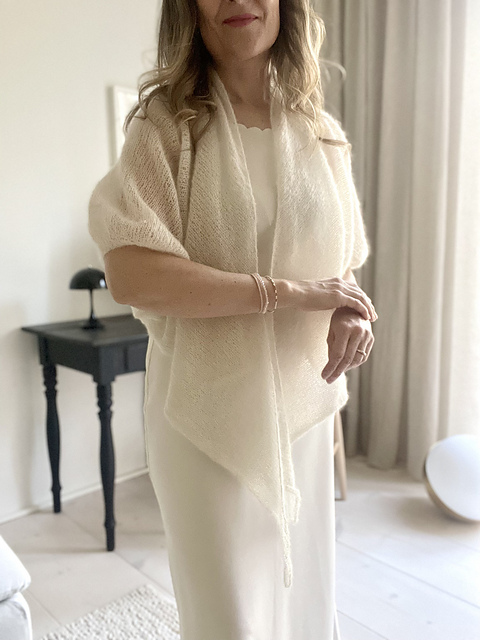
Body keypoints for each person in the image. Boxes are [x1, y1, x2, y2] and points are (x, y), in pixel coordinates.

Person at [88, 1, 377, 638]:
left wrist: (349, 313)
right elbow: (132, 272)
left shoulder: (320, 131)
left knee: (303, 607)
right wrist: (288, 293)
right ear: (191, 11)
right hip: (204, 418)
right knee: (228, 620)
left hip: (302, 413)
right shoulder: (164, 128)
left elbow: (342, 266)